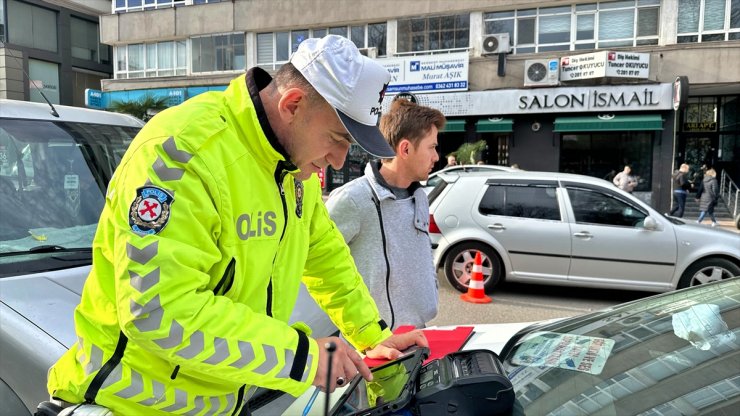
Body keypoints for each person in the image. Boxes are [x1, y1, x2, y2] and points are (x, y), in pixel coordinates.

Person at [45, 35, 427, 416]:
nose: (341, 161)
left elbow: (325, 257)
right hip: (123, 403)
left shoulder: (292, 171)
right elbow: (157, 311)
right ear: (292, 105)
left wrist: (374, 338)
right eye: (337, 138)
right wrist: (303, 357)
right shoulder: (182, 155)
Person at [326, 99, 444, 330]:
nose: (436, 157)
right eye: (432, 147)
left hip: (418, 332)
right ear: (406, 149)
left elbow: (422, 257)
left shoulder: (419, 195)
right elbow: (314, 269)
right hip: (371, 346)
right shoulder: (353, 199)